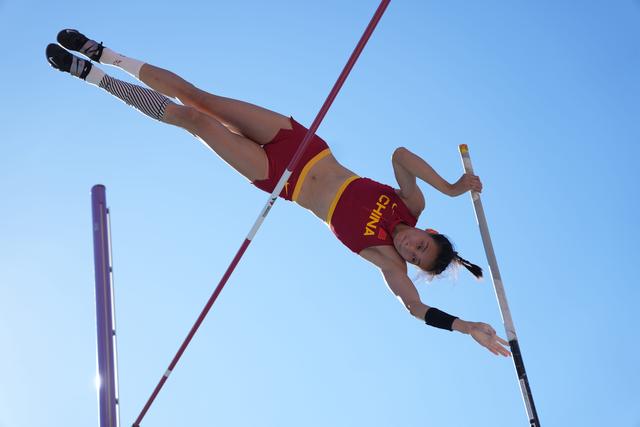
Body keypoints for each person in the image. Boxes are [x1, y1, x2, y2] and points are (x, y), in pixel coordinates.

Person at [46, 29, 511, 357]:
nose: (409, 249)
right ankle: (105, 54)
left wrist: (465, 325)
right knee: (201, 98)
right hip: (301, 144)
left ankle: (93, 78)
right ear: (427, 231)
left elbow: (413, 306)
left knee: (194, 122)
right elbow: (401, 155)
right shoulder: (412, 204)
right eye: (421, 245)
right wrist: (450, 188)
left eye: (413, 257)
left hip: (280, 180)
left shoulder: (386, 259)